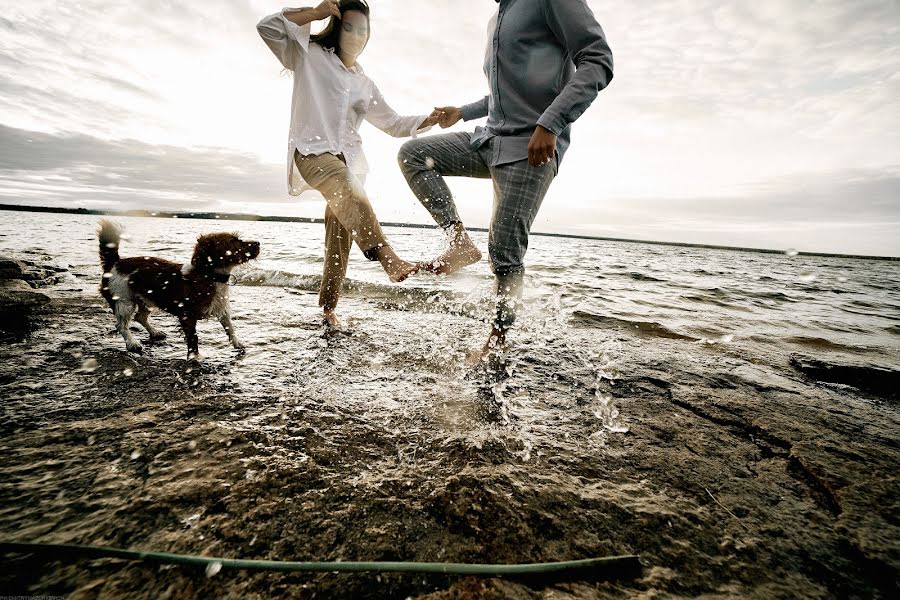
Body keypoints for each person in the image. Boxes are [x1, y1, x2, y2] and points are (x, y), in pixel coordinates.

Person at [398, 0, 613, 356]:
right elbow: (506, 91)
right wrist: (463, 112)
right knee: (414, 155)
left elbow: (598, 61)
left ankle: (497, 342)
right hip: (489, 139)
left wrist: (551, 123)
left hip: (532, 147)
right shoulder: (497, 17)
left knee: (504, 252)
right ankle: (459, 242)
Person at [257, 0, 438, 327]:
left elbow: (394, 123)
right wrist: (314, 13)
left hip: (352, 165)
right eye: (350, 28)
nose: (356, 35)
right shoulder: (309, 56)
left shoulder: (364, 84)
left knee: (339, 241)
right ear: (338, 28)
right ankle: (388, 257)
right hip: (312, 153)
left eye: (363, 30)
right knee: (345, 185)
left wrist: (431, 118)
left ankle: (327, 310)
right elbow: (267, 27)